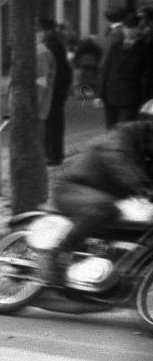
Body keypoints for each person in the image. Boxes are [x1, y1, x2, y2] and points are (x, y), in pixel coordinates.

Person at [46, 102, 153, 287]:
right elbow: (119, 162)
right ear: (146, 122)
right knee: (104, 209)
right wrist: (143, 188)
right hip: (73, 186)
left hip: (110, 195)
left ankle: (114, 268)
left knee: (139, 226)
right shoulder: (123, 134)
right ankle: (58, 254)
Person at [95, 14, 153, 128]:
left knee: (125, 132)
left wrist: (147, 100)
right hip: (111, 95)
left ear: (138, 29)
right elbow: (106, 71)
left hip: (131, 98)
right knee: (111, 131)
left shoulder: (146, 49)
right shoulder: (115, 47)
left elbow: (149, 76)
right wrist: (99, 95)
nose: (129, 31)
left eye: (132, 28)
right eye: (127, 28)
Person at [40, 19, 72, 166]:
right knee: (53, 123)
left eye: (42, 31)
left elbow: (50, 72)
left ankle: (53, 155)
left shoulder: (51, 47)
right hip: (57, 90)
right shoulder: (55, 45)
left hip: (53, 91)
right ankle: (53, 154)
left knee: (52, 123)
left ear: (48, 31)